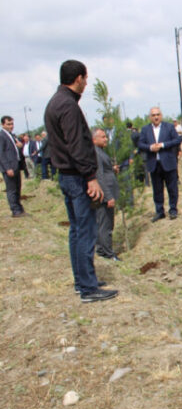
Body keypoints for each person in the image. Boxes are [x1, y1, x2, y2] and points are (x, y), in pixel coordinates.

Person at [44, 59, 118, 303]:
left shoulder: (56, 103)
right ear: (78, 79)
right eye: (86, 79)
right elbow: (76, 145)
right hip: (77, 178)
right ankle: (88, 288)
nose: (86, 83)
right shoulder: (68, 106)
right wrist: (90, 178)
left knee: (77, 231)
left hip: (67, 177)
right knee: (85, 232)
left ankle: (82, 281)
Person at [138, 107, 182, 221]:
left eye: (158, 114)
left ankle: (173, 210)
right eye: (153, 115)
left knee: (172, 188)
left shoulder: (169, 127)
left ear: (161, 115)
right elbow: (140, 144)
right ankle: (159, 211)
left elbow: (177, 140)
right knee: (157, 189)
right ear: (150, 117)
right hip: (154, 163)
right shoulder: (145, 129)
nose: (156, 117)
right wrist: (150, 147)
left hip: (168, 162)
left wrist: (162, 145)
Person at [93, 128, 120, 262]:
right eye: (103, 137)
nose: (106, 139)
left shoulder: (100, 152)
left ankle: (102, 249)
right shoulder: (96, 153)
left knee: (102, 224)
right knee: (106, 225)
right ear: (94, 139)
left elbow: (105, 171)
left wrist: (112, 169)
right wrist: (109, 197)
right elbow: (100, 176)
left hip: (106, 192)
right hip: (105, 194)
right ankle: (108, 253)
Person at [0, 116, 27, 217]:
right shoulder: (2, 136)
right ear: (2, 125)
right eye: (8, 124)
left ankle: (19, 208)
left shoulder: (11, 135)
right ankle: (15, 211)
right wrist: (7, 168)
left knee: (17, 188)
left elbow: (12, 151)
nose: (11, 126)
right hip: (9, 168)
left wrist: (19, 146)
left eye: (12, 124)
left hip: (15, 166)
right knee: (11, 189)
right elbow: (1, 154)